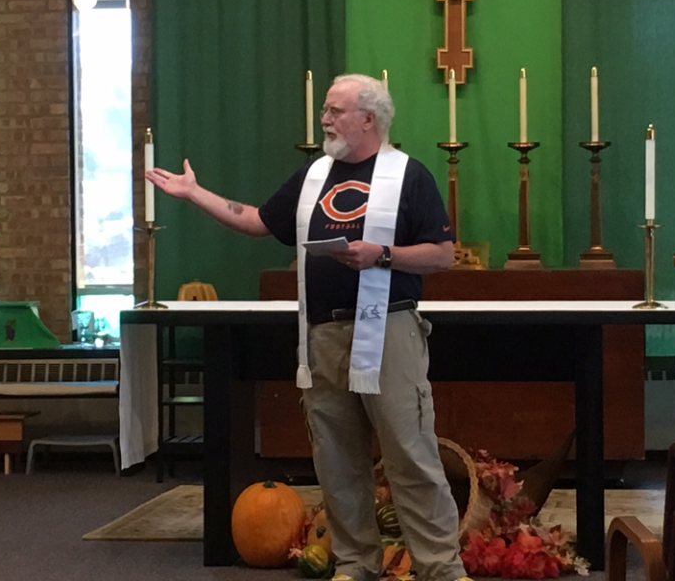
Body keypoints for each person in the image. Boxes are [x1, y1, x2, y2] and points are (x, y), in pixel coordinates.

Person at [146, 74, 469, 581]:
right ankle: (356, 564)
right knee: (337, 462)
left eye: (335, 110)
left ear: (369, 118)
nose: (324, 119)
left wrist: (381, 255)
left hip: (388, 332)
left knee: (410, 457)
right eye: (325, 110)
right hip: (323, 336)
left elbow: (442, 254)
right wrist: (194, 193)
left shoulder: (409, 175)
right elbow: (258, 221)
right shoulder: (315, 175)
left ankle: (442, 569)